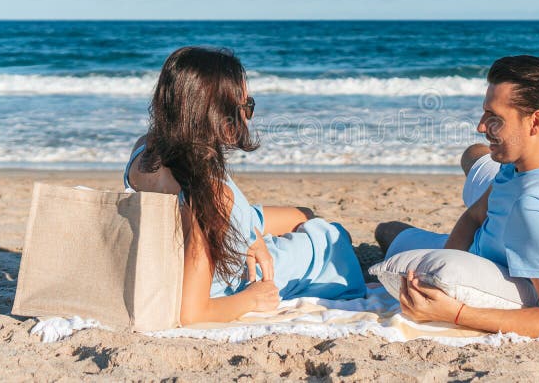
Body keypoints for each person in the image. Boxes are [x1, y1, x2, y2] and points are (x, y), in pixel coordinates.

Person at [124, 46, 366, 325]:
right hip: (241, 261)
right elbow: (191, 314)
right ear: (220, 116)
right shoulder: (211, 195)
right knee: (333, 237)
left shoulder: (145, 149)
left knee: (304, 214)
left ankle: (256, 232)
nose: (248, 115)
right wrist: (253, 298)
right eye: (246, 106)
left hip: (235, 225)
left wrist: (251, 236)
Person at [375, 55, 539, 338]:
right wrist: (448, 253)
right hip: (504, 219)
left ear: (535, 123)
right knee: (474, 153)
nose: (481, 126)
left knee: (388, 231)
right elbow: (476, 214)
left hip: (507, 252)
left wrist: (454, 312)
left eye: (494, 118)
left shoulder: (536, 210)